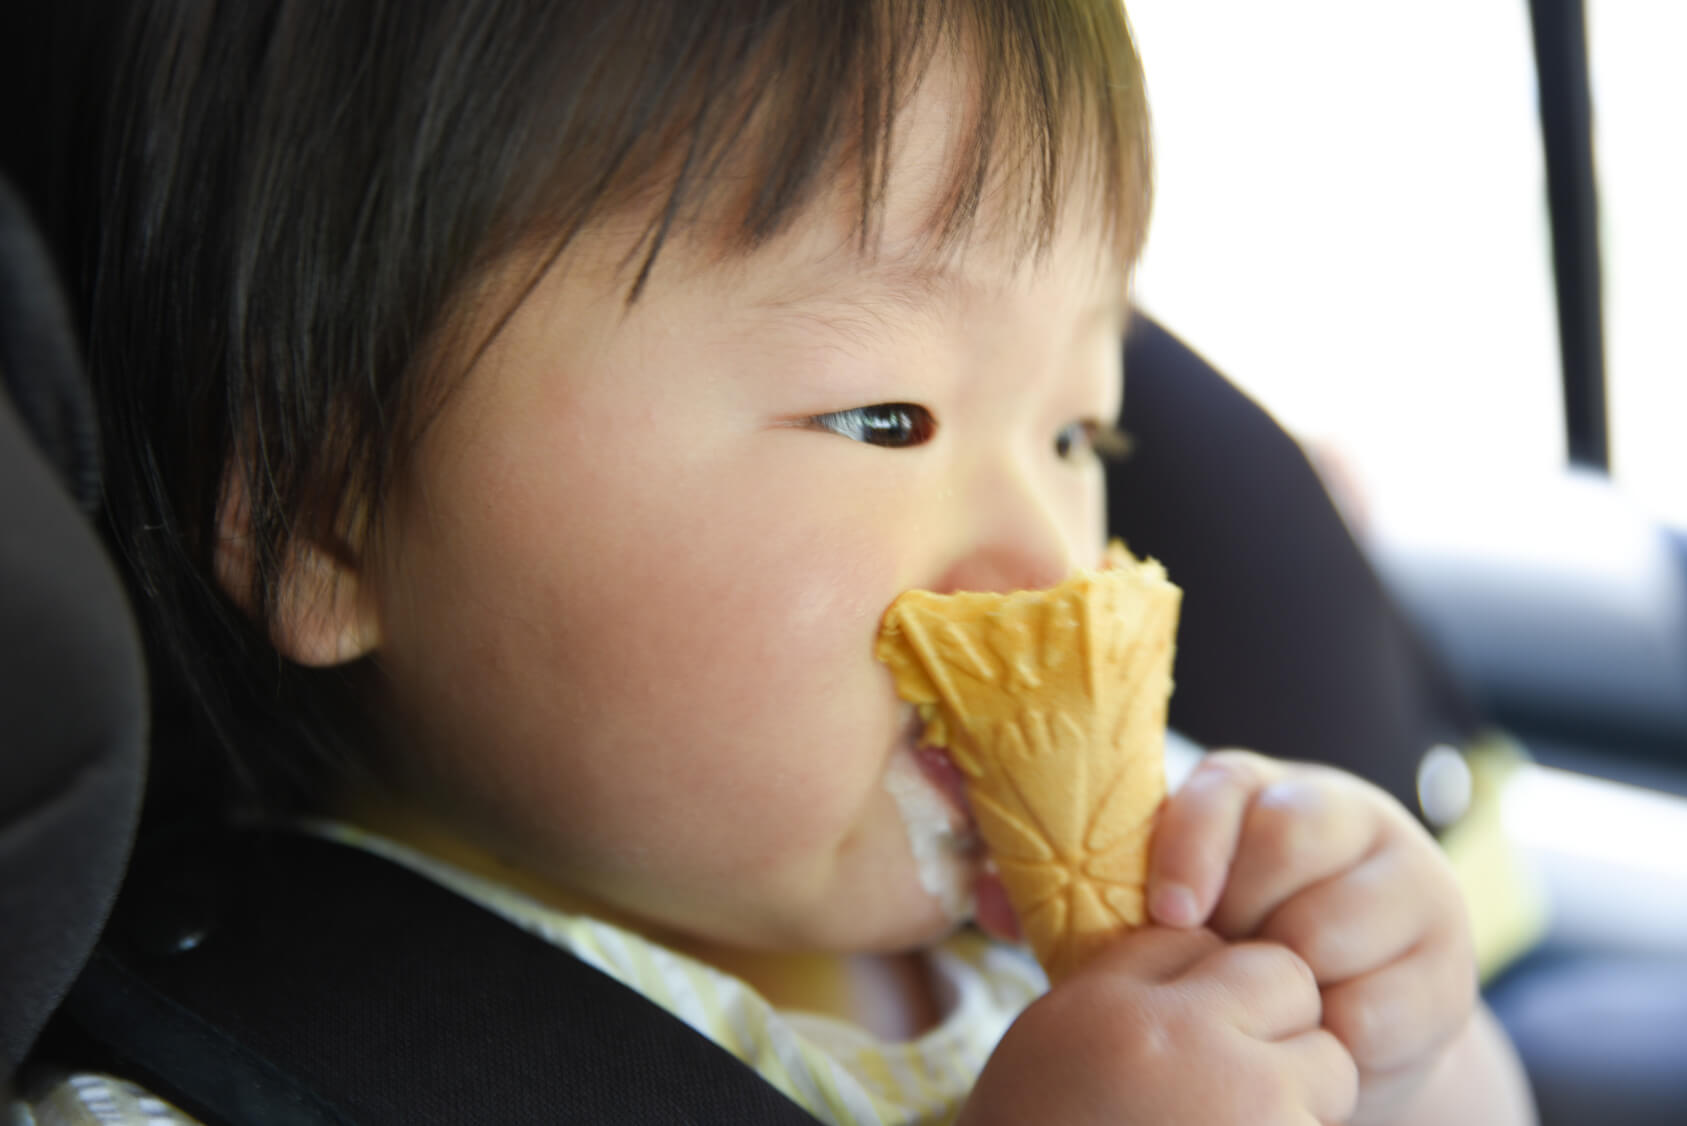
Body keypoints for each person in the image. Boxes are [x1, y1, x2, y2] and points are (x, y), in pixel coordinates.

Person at [16, 1, 1534, 1123]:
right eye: (886, 416)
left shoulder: (1151, 880)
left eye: (1079, 436)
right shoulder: (197, 1083)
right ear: (326, 508)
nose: (1046, 556)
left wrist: (1394, 1047)